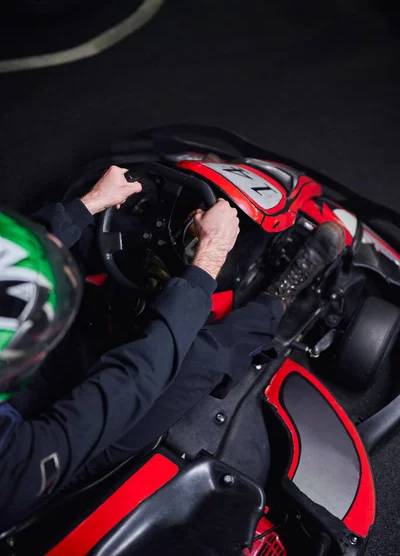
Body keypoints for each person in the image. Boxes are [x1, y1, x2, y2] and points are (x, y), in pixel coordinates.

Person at [0, 166, 345, 531]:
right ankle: (279, 300)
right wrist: (210, 257)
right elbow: (134, 378)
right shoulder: (12, 468)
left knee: (81, 261)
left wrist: (89, 204)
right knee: (204, 356)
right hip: (55, 462)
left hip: (24, 403)